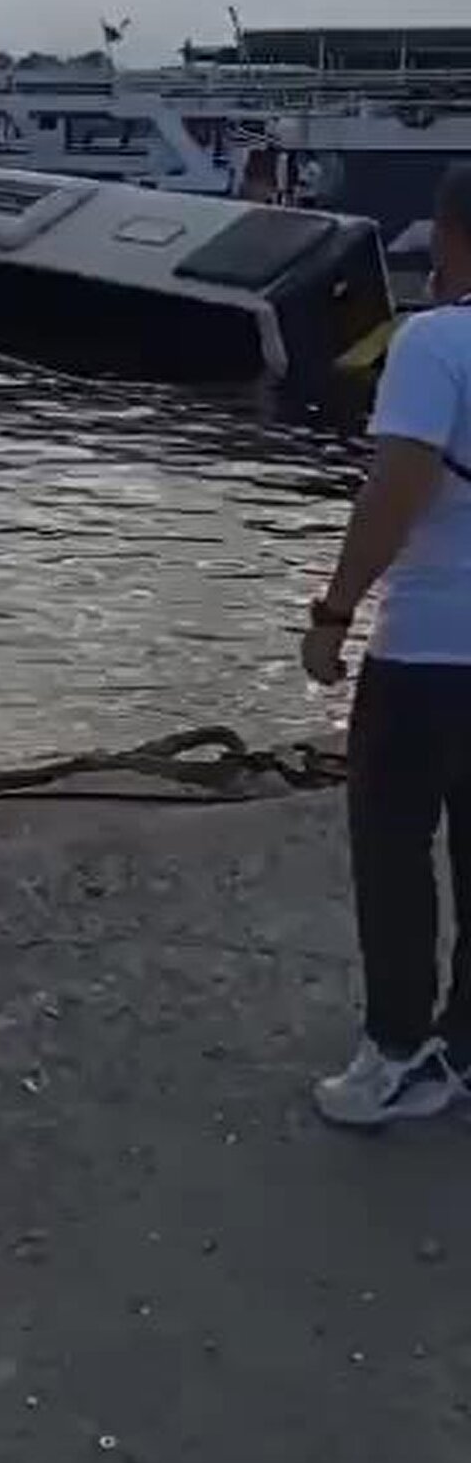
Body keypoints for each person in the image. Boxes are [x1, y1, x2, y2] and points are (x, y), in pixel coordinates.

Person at [303, 163, 471, 1127]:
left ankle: (398, 1051)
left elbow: (394, 491)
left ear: (452, 235)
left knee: (395, 851)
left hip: (428, 658)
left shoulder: (435, 341)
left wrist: (334, 613)